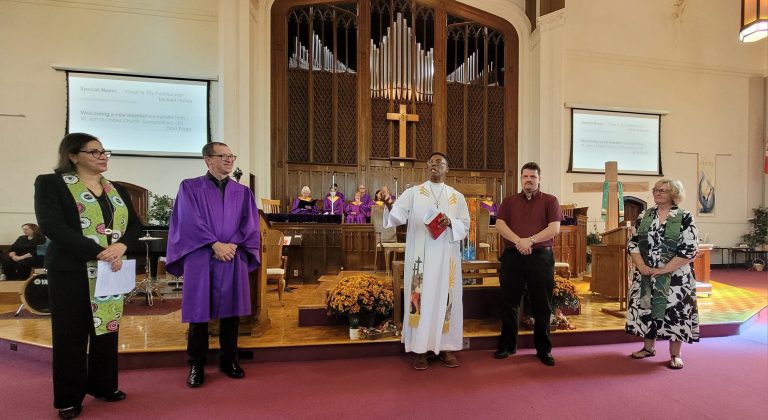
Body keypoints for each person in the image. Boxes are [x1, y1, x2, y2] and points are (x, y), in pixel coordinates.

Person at [34, 132, 142, 419]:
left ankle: (104, 385)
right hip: (72, 269)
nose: (102, 155)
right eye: (94, 152)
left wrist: (121, 245)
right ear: (72, 156)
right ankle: (69, 398)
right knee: (71, 334)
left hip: (112, 267)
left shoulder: (116, 189)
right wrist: (98, 252)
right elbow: (52, 227)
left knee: (107, 330)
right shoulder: (51, 184)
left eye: (104, 151)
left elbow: (135, 226)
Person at [165, 142, 261, 388]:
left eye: (231, 155)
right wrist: (214, 245)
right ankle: (196, 364)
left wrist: (232, 246)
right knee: (199, 314)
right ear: (208, 159)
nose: (229, 160)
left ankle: (228, 360)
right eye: (223, 156)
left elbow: (250, 225)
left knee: (232, 313)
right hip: (201, 256)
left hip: (233, 254)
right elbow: (188, 221)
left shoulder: (243, 192)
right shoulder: (190, 187)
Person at [383, 152, 470, 370]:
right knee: (419, 300)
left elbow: (465, 225)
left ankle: (446, 347)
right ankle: (420, 350)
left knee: (446, 298)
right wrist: (388, 204)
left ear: (447, 168)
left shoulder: (456, 196)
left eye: (439, 163)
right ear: (427, 167)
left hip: (446, 259)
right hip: (420, 261)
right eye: (431, 162)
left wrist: (451, 222)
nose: (434, 165)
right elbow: (397, 216)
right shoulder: (413, 193)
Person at [494, 162, 563, 366]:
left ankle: (544, 349)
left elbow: (555, 228)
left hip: (540, 257)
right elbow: (499, 224)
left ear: (539, 179)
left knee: (542, 305)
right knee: (509, 303)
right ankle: (507, 345)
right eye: (525, 177)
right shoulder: (509, 201)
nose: (529, 180)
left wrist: (530, 240)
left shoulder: (550, 201)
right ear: (521, 179)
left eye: (533, 177)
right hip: (513, 256)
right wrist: (518, 241)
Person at [626, 179, 699, 369]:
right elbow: (633, 243)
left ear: (674, 194)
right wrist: (641, 265)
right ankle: (648, 348)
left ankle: (676, 354)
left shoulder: (684, 216)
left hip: (675, 277)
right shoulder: (645, 215)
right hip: (647, 273)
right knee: (648, 309)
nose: (657, 193)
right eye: (656, 190)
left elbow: (689, 249)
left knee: (674, 312)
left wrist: (664, 269)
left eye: (663, 190)